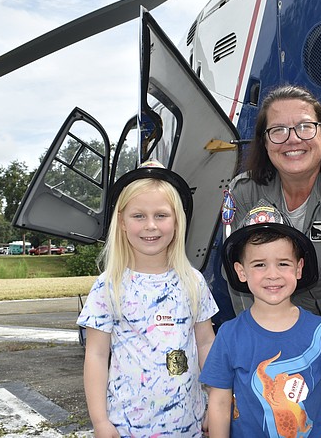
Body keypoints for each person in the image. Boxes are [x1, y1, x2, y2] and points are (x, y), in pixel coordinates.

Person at [222, 84, 321, 347]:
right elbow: (239, 283)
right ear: (264, 141)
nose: (293, 139)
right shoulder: (244, 193)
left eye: (305, 127)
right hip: (279, 335)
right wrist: (264, 342)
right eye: (278, 130)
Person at [77, 160, 218, 438]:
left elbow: (205, 343)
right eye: (138, 216)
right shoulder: (109, 285)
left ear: (177, 222)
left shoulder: (193, 281)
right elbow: (95, 354)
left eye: (161, 215)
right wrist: (100, 422)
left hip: (188, 426)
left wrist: (216, 403)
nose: (150, 226)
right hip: (127, 427)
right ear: (121, 222)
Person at [202, 201, 321, 437]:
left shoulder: (320, 332)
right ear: (241, 272)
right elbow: (220, 402)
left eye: (283, 264)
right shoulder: (229, 334)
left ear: (299, 268)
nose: (273, 275)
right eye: (260, 265)